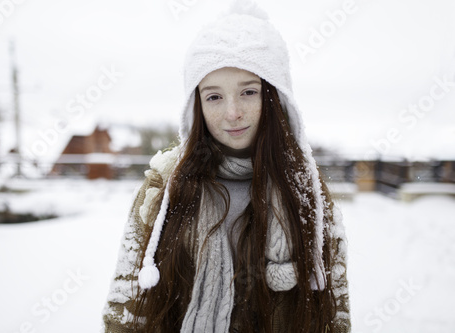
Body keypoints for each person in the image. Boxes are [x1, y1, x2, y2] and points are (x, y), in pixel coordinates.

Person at [102, 1, 351, 332]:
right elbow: (125, 313)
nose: (232, 112)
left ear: (274, 98)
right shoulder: (163, 188)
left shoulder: (306, 192)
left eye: (248, 91)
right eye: (214, 97)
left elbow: (334, 317)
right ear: (197, 106)